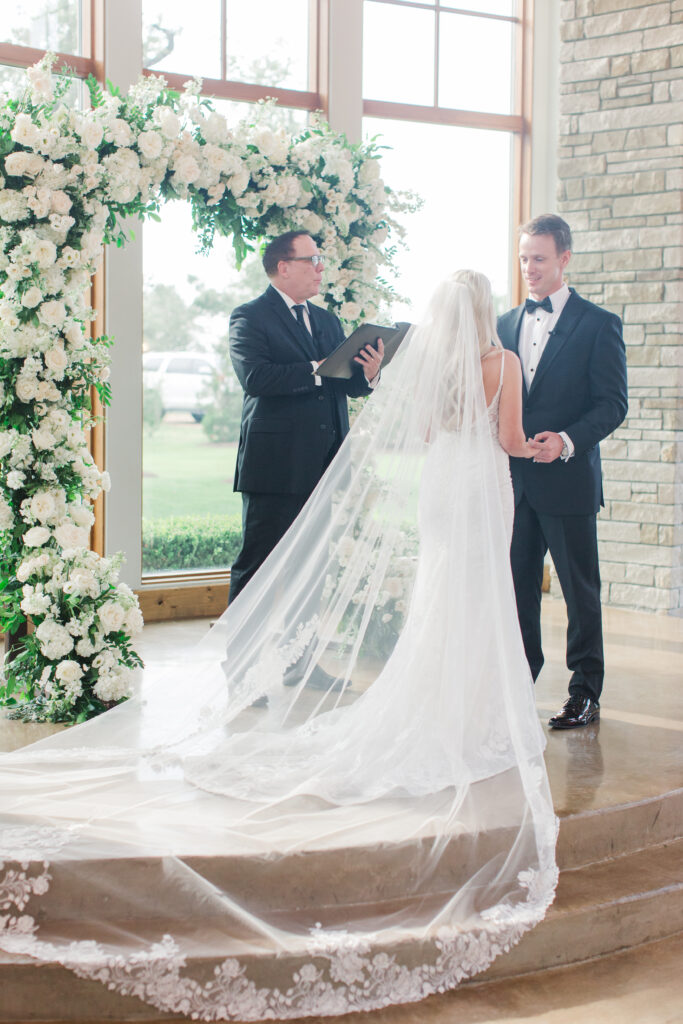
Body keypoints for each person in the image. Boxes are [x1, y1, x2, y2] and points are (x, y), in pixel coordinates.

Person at [0, 272, 558, 1022]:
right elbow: (510, 442)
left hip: (439, 490)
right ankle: (477, 709)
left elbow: (424, 435)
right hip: (482, 487)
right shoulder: (502, 365)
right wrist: (548, 448)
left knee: (440, 600)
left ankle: (440, 701)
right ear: (486, 311)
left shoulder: (441, 367)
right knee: (477, 600)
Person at [498, 214, 628, 730]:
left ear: (564, 259)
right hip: (515, 483)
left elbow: (612, 403)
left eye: (540, 258)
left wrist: (567, 440)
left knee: (579, 590)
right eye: (524, 258)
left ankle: (584, 691)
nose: (529, 268)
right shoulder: (504, 325)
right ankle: (520, 677)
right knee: (516, 587)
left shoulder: (599, 324)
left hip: (569, 481)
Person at [227, 230, 384, 604]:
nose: (321, 267)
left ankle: (303, 661)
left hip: (325, 462)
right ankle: (241, 661)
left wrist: (370, 373)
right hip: (274, 465)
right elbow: (254, 378)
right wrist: (316, 367)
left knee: (314, 567)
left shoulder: (327, 321)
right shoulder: (249, 317)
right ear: (284, 267)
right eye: (312, 260)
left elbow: (345, 385)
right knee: (259, 564)